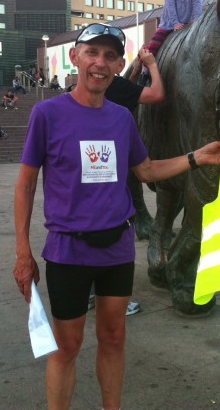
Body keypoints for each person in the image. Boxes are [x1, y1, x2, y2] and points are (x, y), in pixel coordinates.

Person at [13, 23, 220, 410]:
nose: (100, 62)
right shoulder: (48, 115)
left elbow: (146, 170)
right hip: (68, 252)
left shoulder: (121, 118)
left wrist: (200, 156)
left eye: (110, 55)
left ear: (119, 64)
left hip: (116, 249)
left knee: (114, 338)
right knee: (67, 347)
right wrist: (22, 251)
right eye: (92, 53)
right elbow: (26, 185)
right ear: (76, 57)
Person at [86, 44, 167, 316]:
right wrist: (153, 65)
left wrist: (135, 69)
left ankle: (90, 291)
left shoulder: (115, 90)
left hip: (102, 160)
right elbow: (156, 94)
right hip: (114, 162)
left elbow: (126, 92)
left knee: (92, 224)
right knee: (109, 227)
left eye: (109, 57)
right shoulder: (119, 90)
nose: (101, 63)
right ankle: (108, 295)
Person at [142, 0, 202, 81]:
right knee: (155, 43)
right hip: (169, 22)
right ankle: (145, 69)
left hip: (190, 21)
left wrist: (196, 21)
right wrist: (175, 23)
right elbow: (170, 6)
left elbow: (197, 2)